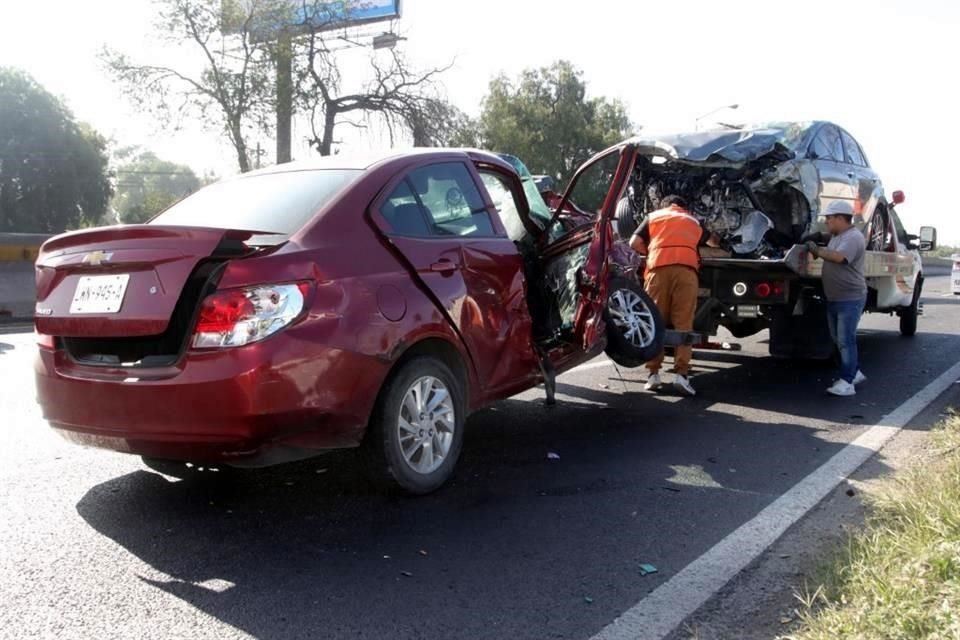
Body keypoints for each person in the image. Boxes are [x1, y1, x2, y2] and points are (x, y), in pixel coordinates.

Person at [626, 195, 715, 397]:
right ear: (683, 207)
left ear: (664, 205)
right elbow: (712, 241)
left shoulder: (654, 216)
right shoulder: (693, 220)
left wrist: (651, 252)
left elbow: (633, 242)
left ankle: (653, 375)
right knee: (683, 322)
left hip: (658, 271)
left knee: (655, 321)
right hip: (686, 273)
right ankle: (681, 375)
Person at [805, 200, 868, 397]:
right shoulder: (838, 235)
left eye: (829, 219)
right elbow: (830, 241)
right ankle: (854, 372)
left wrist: (817, 250)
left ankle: (847, 383)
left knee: (845, 341)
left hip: (850, 298)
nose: (826, 223)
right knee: (837, 339)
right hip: (836, 297)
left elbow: (839, 257)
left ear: (841, 218)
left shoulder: (853, 237)